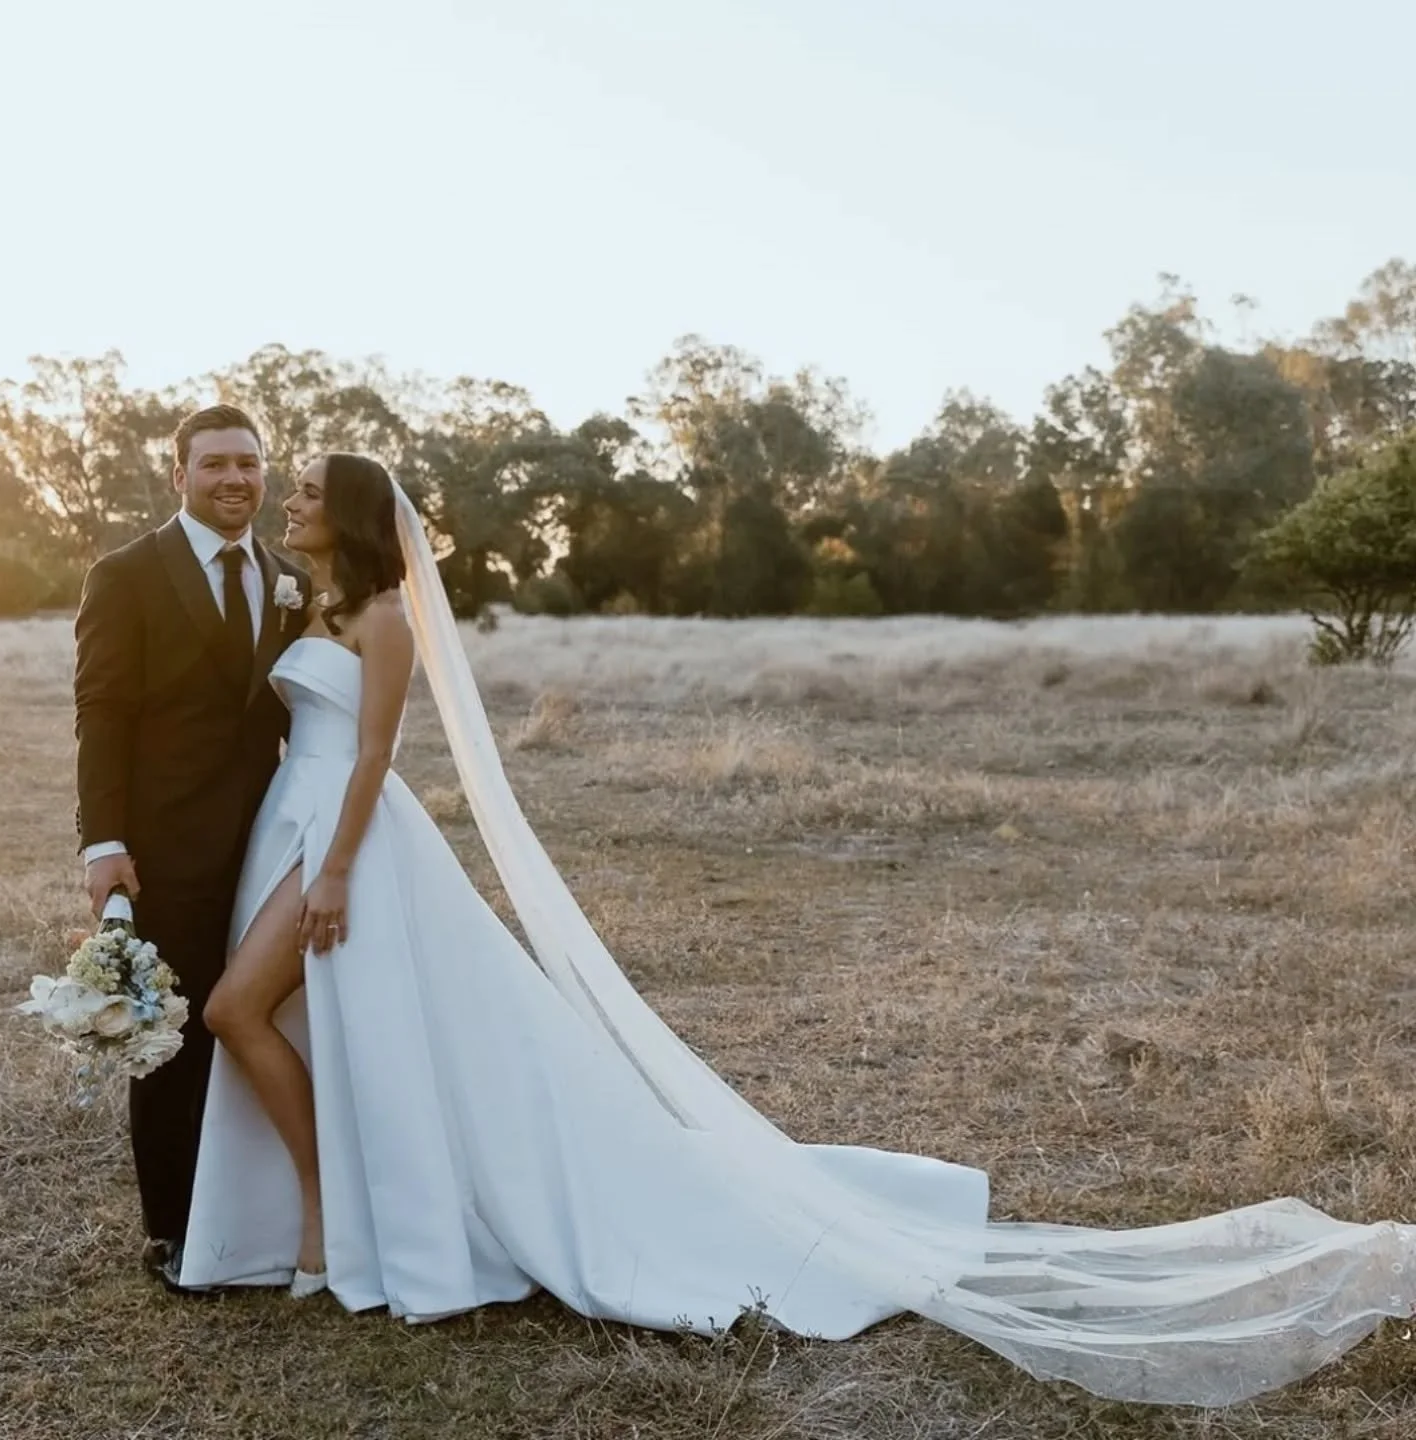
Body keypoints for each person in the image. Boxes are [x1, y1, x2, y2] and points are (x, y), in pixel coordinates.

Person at [180, 451, 1416, 1407]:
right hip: (294, 828)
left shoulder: (384, 621)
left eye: (299, 492)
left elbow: (383, 753)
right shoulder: (308, 600)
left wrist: (336, 867)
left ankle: (324, 1214)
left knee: (238, 1009)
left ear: (345, 513)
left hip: (350, 843)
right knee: (315, 1028)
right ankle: (337, 1207)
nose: (283, 501)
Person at [73, 405, 310, 1286]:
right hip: (163, 845)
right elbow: (103, 712)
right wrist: (104, 843)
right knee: (169, 1038)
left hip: (268, 839)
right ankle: (174, 1228)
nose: (234, 480)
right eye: (214, 465)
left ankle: (254, 1211)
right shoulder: (126, 574)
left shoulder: (290, 578)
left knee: (253, 1019)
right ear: (179, 475)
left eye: (248, 463)